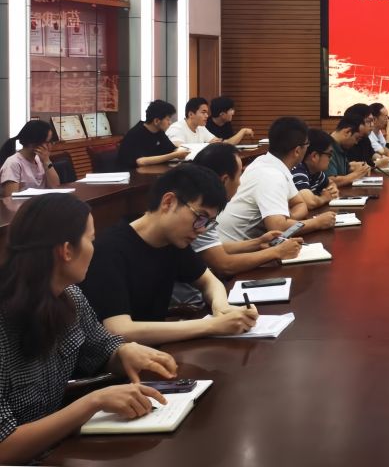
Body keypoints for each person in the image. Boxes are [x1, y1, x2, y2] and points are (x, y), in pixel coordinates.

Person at [0, 195, 179, 464]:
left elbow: (101, 348)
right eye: (91, 239)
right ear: (67, 250)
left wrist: (123, 354)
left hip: (57, 452)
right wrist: (92, 402)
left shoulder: (70, 296)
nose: (94, 248)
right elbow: (4, 448)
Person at [80, 164, 259, 344]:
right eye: (200, 217)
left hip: (157, 350)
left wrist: (220, 306)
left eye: (208, 222)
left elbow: (209, 281)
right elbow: (119, 330)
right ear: (168, 202)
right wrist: (212, 325)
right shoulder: (108, 251)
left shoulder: (173, 241)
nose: (202, 229)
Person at [214, 116, 336, 243]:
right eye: (307, 144)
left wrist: (288, 218)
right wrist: (317, 223)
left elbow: (300, 204)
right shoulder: (271, 175)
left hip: (249, 244)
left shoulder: (271, 163)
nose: (308, 148)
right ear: (297, 151)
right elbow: (278, 228)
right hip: (230, 247)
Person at [190, 143, 303, 279]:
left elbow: (215, 248)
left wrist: (258, 242)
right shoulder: (198, 214)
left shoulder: (205, 205)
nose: (240, 183)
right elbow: (225, 265)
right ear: (225, 180)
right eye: (239, 176)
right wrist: (276, 252)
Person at [116, 100, 190, 171]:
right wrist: (174, 155)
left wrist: (183, 151)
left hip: (151, 170)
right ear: (156, 121)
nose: (170, 123)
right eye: (167, 119)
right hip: (131, 173)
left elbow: (172, 149)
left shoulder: (159, 132)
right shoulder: (135, 134)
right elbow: (141, 161)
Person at [0, 120, 60, 197]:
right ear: (33, 143)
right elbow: (10, 198)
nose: (51, 145)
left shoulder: (39, 159)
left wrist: (47, 161)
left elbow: (55, 187)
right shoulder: (13, 163)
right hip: (26, 204)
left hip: (42, 202)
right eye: (48, 142)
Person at [291, 129, 340, 210]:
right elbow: (310, 203)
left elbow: (330, 182)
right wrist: (324, 198)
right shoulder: (297, 171)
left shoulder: (317, 172)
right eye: (329, 155)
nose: (331, 159)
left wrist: (332, 190)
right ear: (314, 156)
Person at [327, 115, 373, 188]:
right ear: (347, 132)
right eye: (357, 138)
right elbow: (329, 181)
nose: (356, 143)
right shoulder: (326, 147)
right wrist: (356, 174)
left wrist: (353, 167)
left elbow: (342, 170)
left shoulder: (341, 147)